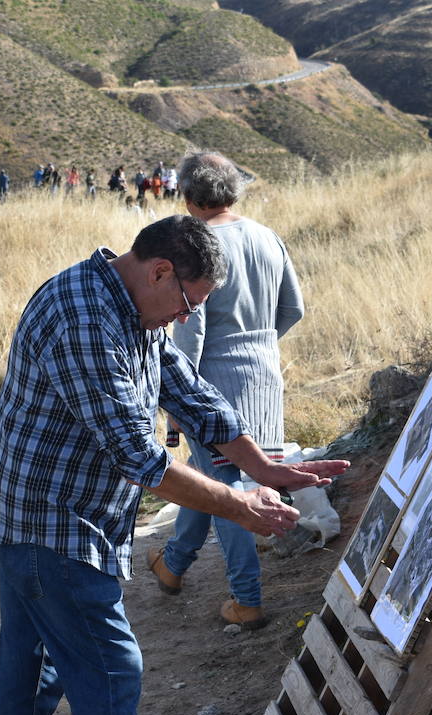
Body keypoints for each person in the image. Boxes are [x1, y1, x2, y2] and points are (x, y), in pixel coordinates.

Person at [0, 216, 347, 715]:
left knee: (30, 684)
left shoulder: (134, 307)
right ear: (159, 270)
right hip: (51, 526)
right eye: (188, 302)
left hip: (46, 523)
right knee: (112, 672)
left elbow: (190, 391)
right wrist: (241, 505)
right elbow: (140, 459)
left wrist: (267, 468)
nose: (187, 316)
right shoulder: (84, 316)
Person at [148, 152, 305, 630]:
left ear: (190, 198)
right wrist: (258, 344)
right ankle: (174, 564)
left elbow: (188, 331)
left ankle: (247, 599)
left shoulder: (196, 246)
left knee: (230, 486)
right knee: (215, 472)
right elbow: (292, 309)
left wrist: (178, 401)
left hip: (211, 377)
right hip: (264, 373)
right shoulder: (266, 237)